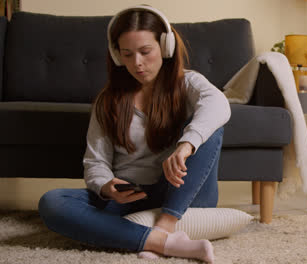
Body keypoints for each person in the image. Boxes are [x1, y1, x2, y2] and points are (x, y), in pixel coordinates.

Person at [38, 5, 230, 263]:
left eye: (145, 52)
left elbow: (219, 104)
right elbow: (95, 162)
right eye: (127, 54)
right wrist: (107, 187)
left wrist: (185, 145)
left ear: (165, 47)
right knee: (52, 202)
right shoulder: (108, 102)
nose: (137, 63)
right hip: (131, 197)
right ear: (117, 56)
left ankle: (166, 223)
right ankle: (163, 242)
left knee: (211, 126)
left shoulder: (188, 83)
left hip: (185, 192)